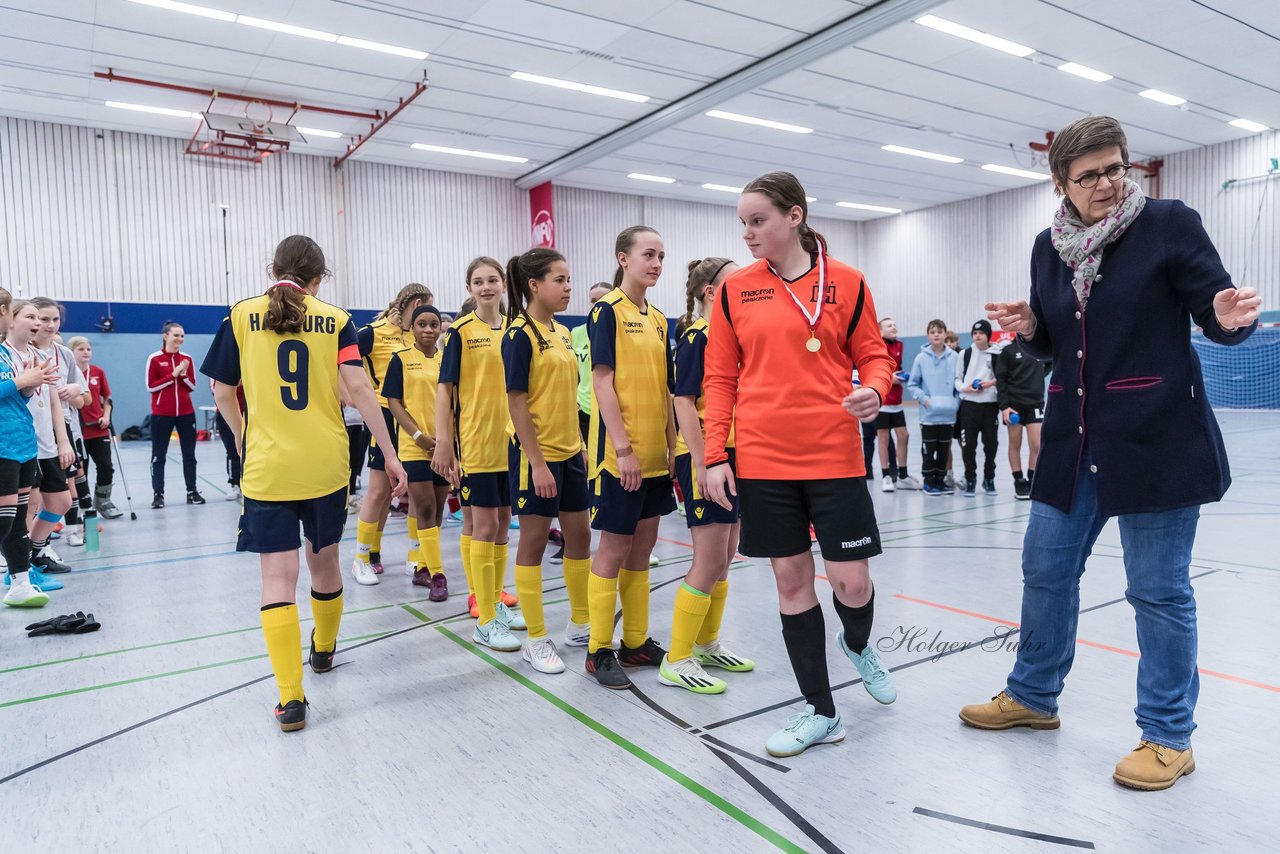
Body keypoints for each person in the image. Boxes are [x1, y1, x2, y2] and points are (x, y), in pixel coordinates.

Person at [963, 115, 1261, 791]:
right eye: (1090, 174)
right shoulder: (1049, 246)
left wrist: (1225, 318)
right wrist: (1032, 327)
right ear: (1060, 183)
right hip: (1073, 440)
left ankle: (1167, 736)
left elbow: (1214, 308)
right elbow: (1055, 342)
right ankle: (1034, 696)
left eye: (1116, 168)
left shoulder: (1168, 224)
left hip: (1157, 438)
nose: (1107, 183)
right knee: (1044, 568)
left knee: (1157, 591)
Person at [703, 171, 898, 758]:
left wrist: (877, 388)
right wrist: (715, 454)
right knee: (791, 583)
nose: (747, 233)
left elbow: (872, 354)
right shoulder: (735, 291)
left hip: (835, 454)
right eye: (742, 222)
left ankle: (858, 644)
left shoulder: (849, 282)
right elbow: (719, 378)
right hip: (764, 459)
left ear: (795, 216)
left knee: (852, 583)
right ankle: (820, 710)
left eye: (757, 220)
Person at [201, 234, 406, 732]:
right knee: (325, 562)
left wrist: (244, 436)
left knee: (277, 578)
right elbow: (359, 391)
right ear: (319, 278)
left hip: (268, 468)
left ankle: (291, 699)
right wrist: (393, 455)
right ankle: (325, 649)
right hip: (325, 465)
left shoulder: (241, 314)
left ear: (274, 270)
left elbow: (221, 390)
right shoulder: (336, 320)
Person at [583, 226, 677, 689]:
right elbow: (602, 382)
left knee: (643, 549)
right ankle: (598, 648)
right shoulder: (606, 311)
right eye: (648, 254)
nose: (656, 263)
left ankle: (635, 641)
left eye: (661, 255)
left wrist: (673, 444)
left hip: (657, 457)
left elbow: (665, 388)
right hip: (620, 457)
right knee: (614, 549)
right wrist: (623, 449)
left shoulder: (660, 319)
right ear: (623, 258)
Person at [665, 256, 756, 695]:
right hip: (704, 456)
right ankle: (677, 657)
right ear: (710, 292)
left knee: (726, 554)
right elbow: (683, 402)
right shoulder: (698, 336)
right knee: (708, 559)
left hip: (734, 454)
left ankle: (706, 643)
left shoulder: (731, 336)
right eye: (734, 282)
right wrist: (702, 463)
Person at [502, 248, 592, 673]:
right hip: (534, 455)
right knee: (534, 544)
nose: (567, 287)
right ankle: (536, 639)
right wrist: (537, 463)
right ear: (535, 285)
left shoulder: (560, 331)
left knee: (580, 539)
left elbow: (567, 395)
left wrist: (579, 442)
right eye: (559, 279)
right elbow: (517, 402)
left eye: (569, 279)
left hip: (571, 451)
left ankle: (579, 622)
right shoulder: (519, 335)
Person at [433, 257, 524, 652]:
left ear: (503, 284)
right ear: (469, 288)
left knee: (503, 525)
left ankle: (496, 602)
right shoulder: (459, 333)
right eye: (477, 281)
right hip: (477, 443)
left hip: (513, 443)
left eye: (492, 280)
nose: (486, 287)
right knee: (484, 527)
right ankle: (485, 618)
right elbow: (445, 391)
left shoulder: (517, 329)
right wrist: (443, 443)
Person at [352, 284, 432, 581]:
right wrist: (347, 393)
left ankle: (415, 557)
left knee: (413, 489)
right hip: (384, 416)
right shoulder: (372, 333)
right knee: (379, 489)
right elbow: (341, 364)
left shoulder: (419, 335)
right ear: (418, 302)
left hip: (414, 418)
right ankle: (363, 556)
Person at [381, 305, 450, 600]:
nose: (428, 329)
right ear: (413, 327)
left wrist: (447, 441)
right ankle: (437, 575)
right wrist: (419, 436)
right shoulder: (400, 359)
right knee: (422, 508)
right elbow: (393, 402)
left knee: (437, 511)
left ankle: (423, 566)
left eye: (433, 324)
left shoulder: (447, 360)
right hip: (414, 446)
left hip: (444, 447)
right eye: (421, 324)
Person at [2, 293, 61, 608]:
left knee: (17, 519)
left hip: (23, 444)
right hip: (3, 446)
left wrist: (29, 385)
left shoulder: (12, 355)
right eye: (27, 316)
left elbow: (17, 398)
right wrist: (22, 381)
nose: (38, 324)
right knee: (5, 520)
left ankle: (20, 583)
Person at [25, 298, 83, 572]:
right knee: (31, 500)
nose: (47, 325)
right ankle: (22, 561)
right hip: (27, 435)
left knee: (61, 498)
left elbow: (82, 399)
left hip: (58, 433)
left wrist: (74, 391)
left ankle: (34, 550)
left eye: (53, 320)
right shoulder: (20, 353)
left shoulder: (63, 355)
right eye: (40, 319)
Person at [146, 321, 203, 507]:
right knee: (159, 456)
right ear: (165, 336)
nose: (180, 339)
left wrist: (184, 374)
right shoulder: (154, 358)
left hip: (186, 413)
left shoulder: (187, 358)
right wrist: (173, 374)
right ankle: (158, 495)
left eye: (182, 336)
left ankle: (192, 492)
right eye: (176, 335)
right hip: (162, 414)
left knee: (189, 455)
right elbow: (151, 386)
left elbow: (193, 386)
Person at [68, 336, 123, 519]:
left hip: (98, 429)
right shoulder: (69, 373)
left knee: (106, 467)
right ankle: (84, 506)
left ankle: (103, 501)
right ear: (71, 352)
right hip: (79, 430)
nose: (86, 352)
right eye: (81, 349)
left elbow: (107, 398)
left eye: (88, 349)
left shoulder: (98, 372)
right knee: (82, 471)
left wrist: (106, 416)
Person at [906, 320, 960, 495]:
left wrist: (955, 402)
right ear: (928, 335)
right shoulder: (921, 358)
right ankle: (929, 482)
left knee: (944, 450)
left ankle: (940, 480)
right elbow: (913, 385)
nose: (936, 334)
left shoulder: (955, 357)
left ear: (945, 334)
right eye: (932, 331)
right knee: (929, 450)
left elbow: (959, 383)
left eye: (939, 331)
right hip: (928, 416)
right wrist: (925, 400)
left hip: (948, 415)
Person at [993, 334, 1047, 499]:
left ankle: (1032, 480)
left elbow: (1049, 364)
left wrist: (1036, 378)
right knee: (1015, 443)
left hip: (1035, 404)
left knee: (1037, 445)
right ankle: (1019, 481)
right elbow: (1000, 380)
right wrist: (1004, 406)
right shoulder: (1008, 351)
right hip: (1013, 406)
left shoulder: (1040, 351)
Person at [955, 319, 999, 497]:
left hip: (990, 406)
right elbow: (957, 379)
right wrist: (965, 388)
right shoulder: (964, 354)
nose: (978, 336)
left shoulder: (996, 353)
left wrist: (990, 384)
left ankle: (989, 479)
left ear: (988, 335)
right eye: (975, 333)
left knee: (991, 446)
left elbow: (1002, 377)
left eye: (981, 333)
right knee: (968, 446)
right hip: (969, 406)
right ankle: (970, 479)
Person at [875, 317, 918, 491]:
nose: (894, 327)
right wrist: (890, 379)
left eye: (894, 324)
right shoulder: (878, 345)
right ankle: (885, 475)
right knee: (883, 437)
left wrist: (901, 376)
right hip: (883, 401)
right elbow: (878, 369)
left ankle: (903, 475)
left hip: (897, 402)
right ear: (880, 332)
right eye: (889, 325)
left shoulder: (899, 345)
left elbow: (896, 367)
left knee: (903, 435)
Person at [210, 379, 246, 501]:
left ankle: (249, 482)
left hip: (248, 412)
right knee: (232, 451)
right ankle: (235, 485)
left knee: (252, 450)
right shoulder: (218, 368)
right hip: (226, 415)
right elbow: (219, 390)